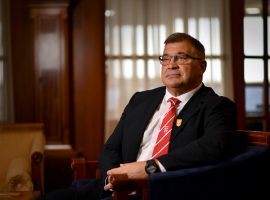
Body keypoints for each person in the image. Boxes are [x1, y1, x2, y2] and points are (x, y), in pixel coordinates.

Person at [45, 32, 239, 200]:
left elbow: (215, 145)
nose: (171, 65)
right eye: (166, 58)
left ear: (202, 67)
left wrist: (149, 168)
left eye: (181, 58)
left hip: (163, 192)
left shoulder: (217, 106)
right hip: (114, 190)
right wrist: (113, 179)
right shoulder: (141, 100)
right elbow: (112, 148)